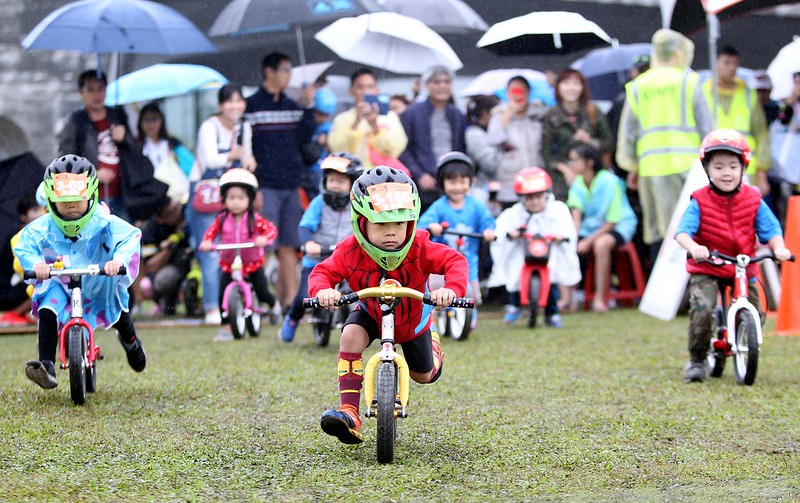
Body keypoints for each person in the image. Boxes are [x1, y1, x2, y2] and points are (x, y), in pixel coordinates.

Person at [309, 167, 468, 444]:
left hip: (414, 318)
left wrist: (451, 289)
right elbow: (322, 272)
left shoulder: (420, 245)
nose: (391, 233)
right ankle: (350, 412)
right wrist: (323, 291)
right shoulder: (349, 250)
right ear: (361, 223)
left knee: (424, 375)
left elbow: (454, 261)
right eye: (381, 225)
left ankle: (432, 345)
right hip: (371, 310)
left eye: (399, 224)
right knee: (350, 335)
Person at [15, 155, 146, 389]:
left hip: (98, 278)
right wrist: (36, 265)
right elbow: (24, 244)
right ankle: (46, 365)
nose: (72, 206)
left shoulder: (104, 220)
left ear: (91, 196)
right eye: (65, 202)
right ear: (52, 201)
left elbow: (129, 236)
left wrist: (118, 259)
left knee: (117, 309)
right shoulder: (42, 226)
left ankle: (131, 342)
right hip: (61, 281)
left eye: (78, 200)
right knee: (48, 306)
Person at [674, 129, 791, 383]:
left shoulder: (753, 198)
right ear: (707, 170)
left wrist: (779, 248)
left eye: (732, 166)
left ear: (743, 168)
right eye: (718, 167)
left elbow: (771, 229)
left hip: (743, 264)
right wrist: (694, 247)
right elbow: (682, 232)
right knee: (702, 308)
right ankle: (697, 360)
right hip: (709, 263)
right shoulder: (700, 200)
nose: (726, 173)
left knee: (758, 311)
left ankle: (742, 335)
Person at [616, 29, 712, 267]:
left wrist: (632, 166)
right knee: (694, 227)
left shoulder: (638, 86)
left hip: (651, 168)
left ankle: (661, 295)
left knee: (660, 231)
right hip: (689, 169)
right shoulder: (689, 82)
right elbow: (706, 128)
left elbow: (628, 134)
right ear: (680, 52)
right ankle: (693, 289)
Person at [246, 52, 316, 312]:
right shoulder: (251, 106)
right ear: (269, 71)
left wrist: (307, 106)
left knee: (289, 246)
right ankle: (258, 302)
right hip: (265, 187)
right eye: (285, 70)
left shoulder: (291, 105)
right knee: (263, 247)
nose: (289, 76)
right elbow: (247, 149)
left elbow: (304, 139)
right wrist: (253, 188)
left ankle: (288, 304)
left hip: (290, 185)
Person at [188, 84, 255, 326]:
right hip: (207, 194)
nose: (234, 106)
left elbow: (246, 155)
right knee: (210, 250)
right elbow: (209, 159)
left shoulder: (244, 127)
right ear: (220, 105)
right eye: (229, 101)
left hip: (233, 193)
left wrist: (247, 159)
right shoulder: (210, 126)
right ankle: (211, 308)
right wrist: (233, 155)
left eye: (239, 100)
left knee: (234, 247)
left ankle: (236, 304)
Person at [279, 152, 364, 342]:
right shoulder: (319, 203)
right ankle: (292, 318)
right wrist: (309, 243)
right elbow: (305, 226)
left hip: (347, 260)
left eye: (341, 181)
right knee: (304, 296)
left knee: (362, 291)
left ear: (353, 184)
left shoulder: (359, 206)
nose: (335, 185)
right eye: (331, 180)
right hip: (317, 259)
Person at [488, 167, 580, 328]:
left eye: (539, 197)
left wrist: (561, 236)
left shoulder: (557, 210)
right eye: (530, 198)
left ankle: (552, 313)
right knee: (515, 275)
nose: (535, 202)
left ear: (546, 195)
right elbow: (501, 230)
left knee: (551, 279)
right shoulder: (513, 214)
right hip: (522, 252)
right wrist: (511, 234)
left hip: (547, 252)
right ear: (522, 198)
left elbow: (567, 229)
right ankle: (515, 305)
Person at [199, 168, 277, 342]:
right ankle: (227, 328)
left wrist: (264, 238)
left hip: (252, 262)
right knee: (223, 296)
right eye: (231, 198)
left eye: (241, 198)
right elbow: (210, 233)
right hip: (229, 263)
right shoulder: (221, 218)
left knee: (262, 291)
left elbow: (271, 230)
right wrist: (207, 242)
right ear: (224, 199)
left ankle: (272, 305)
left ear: (249, 199)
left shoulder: (255, 218)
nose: (236, 202)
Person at [418, 152, 496, 309]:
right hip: (440, 265)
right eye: (452, 182)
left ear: (470, 182)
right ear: (442, 183)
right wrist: (432, 227)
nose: (458, 187)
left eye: (463, 182)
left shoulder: (476, 206)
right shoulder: (440, 206)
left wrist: (488, 230)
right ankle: (433, 320)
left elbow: (488, 221)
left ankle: (467, 320)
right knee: (434, 295)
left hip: (468, 262)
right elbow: (423, 224)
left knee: (471, 296)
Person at [56, 69, 137, 220]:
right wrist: (92, 174)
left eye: (100, 89)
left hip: (123, 193)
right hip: (91, 196)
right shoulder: (75, 122)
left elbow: (134, 151)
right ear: (81, 93)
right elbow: (66, 161)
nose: (96, 95)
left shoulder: (117, 115)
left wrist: (124, 137)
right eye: (91, 90)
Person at [567, 143, 638, 313]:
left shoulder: (610, 181)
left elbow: (612, 220)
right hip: (590, 227)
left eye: (575, 160)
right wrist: (573, 236)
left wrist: (588, 241)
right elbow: (576, 214)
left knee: (601, 244)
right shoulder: (577, 183)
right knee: (565, 243)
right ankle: (567, 299)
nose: (571, 164)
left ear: (589, 162)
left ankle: (600, 299)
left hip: (619, 225)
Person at [702, 46, 771, 197]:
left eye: (735, 63)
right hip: (713, 168)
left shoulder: (748, 94)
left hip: (745, 168)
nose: (732, 68)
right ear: (716, 64)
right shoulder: (703, 92)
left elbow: (761, 134)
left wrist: (761, 174)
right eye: (727, 63)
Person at [399, 65, 467, 210]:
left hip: (451, 181)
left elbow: (462, 148)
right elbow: (401, 149)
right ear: (427, 85)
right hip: (422, 183)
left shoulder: (457, 113)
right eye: (437, 82)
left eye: (447, 81)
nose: (442, 86)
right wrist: (419, 174)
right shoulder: (412, 112)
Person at [541, 68, 613, 201]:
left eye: (576, 83)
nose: (571, 88)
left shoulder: (593, 112)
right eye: (566, 83)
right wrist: (565, 169)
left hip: (594, 179)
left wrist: (590, 140)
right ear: (558, 87)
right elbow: (546, 154)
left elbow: (609, 144)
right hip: (563, 183)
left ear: (582, 87)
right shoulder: (551, 117)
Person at [328, 68, 408, 172]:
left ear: (377, 90)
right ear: (351, 91)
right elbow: (338, 150)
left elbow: (394, 149)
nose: (365, 91)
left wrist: (375, 127)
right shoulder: (342, 119)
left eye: (370, 87)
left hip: (382, 178)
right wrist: (356, 121)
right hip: (353, 177)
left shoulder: (389, 116)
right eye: (360, 87)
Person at [487, 76, 547, 209]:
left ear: (528, 93)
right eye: (514, 91)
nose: (518, 96)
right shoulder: (499, 115)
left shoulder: (538, 113)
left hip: (535, 177)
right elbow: (493, 139)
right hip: (510, 181)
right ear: (507, 93)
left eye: (522, 91)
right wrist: (509, 113)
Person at [132, 199, 190, 317]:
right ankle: (167, 304)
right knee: (161, 280)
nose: (177, 214)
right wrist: (170, 246)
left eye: (177, 209)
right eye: (171, 214)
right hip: (170, 268)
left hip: (191, 264)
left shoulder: (188, 216)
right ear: (160, 219)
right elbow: (151, 266)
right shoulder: (152, 231)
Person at [1, 188, 46, 325]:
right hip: (9, 289)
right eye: (34, 210)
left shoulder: (45, 233)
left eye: (43, 209)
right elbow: (21, 268)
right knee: (43, 282)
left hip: (22, 283)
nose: (40, 214)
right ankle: (14, 314)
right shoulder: (18, 237)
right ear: (24, 216)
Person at [136, 102, 194, 204]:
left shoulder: (173, 144)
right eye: (146, 120)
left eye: (154, 119)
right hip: (148, 198)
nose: (150, 124)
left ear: (161, 120)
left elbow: (191, 167)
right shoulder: (136, 146)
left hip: (175, 197)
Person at [300, 87, 338, 203]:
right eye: (319, 114)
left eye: (326, 115)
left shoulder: (328, 128)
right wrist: (319, 143)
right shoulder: (305, 125)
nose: (322, 118)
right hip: (306, 171)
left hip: (322, 170)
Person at [464, 94, 501, 209]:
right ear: (485, 114)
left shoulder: (491, 131)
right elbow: (490, 165)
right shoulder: (474, 134)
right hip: (484, 192)